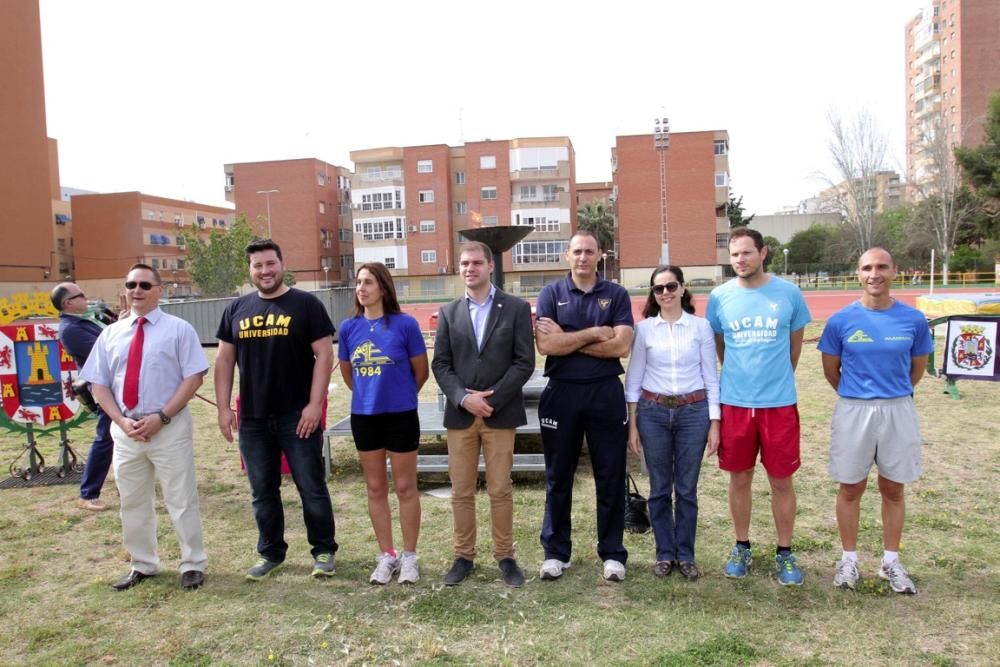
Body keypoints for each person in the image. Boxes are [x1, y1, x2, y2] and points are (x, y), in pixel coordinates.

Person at [215, 239, 338, 581]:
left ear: (282, 265)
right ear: (250, 270)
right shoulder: (236, 309)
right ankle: (270, 553)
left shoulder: (306, 304)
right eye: (258, 266)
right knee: (262, 491)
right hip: (253, 418)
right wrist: (224, 408)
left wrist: (315, 405)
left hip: (297, 416)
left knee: (310, 486)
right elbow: (225, 360)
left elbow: (324, 356)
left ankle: (324, 549)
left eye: (270, 264)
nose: (265, 271)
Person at [80, 264, 208, 591]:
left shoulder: (179, 330)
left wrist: (162, 417)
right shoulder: (110, 334)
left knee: (180, 498)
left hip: (169, 428)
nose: (137, 290)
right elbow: (99, 384)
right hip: (127, 432)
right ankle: (143, 564)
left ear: (159, 290)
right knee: (132, 502)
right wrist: (121, 421)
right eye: (131, 284)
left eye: (144, 285)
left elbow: (194, 376)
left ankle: (192, 563)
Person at [818, 247, 933, 594]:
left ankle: (890, 562)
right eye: (867, 267)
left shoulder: (912, 320)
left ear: (894, 272)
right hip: (854, 409)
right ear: (858, 274)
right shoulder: (840, 321)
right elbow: (831, 371)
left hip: (898, 408)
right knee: (851, 487)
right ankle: (849, 560)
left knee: (893, 487)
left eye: (882, 267)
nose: (874, 274)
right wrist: (861, 395)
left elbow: (917, 370)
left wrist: (889, 394)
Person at [705, 228, 812, 586]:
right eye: (734, 254)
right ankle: (741, 545)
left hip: (778, 404)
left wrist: (774, 380)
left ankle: (785, 551)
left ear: (763, 253)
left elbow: (794, 348)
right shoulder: (720, 298)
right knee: (740, 478)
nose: (740, 260)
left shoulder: (789, 294)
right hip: (735, 403)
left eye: (747, 253)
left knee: (782, 480)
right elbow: (721, 348)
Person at [432, 241, 535, 587]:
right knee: (461, 491)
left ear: (490, 266)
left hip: (499, 413)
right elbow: (441, 364)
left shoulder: (516, 308)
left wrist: (492, 399)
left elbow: (525, 361)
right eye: (464, 263)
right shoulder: (448, 313)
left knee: (500, 489)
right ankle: (463, 556)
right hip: (461, 417)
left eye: (476, 262)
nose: (470, 268)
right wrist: (463, 398)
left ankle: (505, 556)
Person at [534, 230, 634, 582]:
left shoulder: (617, 294)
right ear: (567, 255)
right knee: (558, 477)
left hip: (604, 392)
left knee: (609, 475)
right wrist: (595, 333)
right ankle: (555, 552)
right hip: (561, 392)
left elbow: (621, 347)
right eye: (577, 251)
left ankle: (612, 553)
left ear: (599, 255)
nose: (582, 258)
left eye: (589, 252)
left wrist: (568, 338)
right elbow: (546, 345)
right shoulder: (551, 294)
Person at [624, 265, 720, 581]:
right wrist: (633, 423)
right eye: (658, 288)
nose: (665, 293)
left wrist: (714, 421)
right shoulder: (645, 330)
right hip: (653, 413)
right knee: (660, 488)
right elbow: (634, 378)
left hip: (693, 413)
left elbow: (711, 377)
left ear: (682, 288)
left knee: (688, 489)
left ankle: (686, 554)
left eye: (671, 286)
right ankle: (665, 553)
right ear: (652, 293)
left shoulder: (700, 328)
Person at [339, 262, 428, 585]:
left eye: (368, 283)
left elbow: (421, 371)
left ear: (383, 288)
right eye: (358, 282)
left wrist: (399, 395)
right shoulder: (349, 328)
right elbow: (349, 375)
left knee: (405, 487)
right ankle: (386, 555)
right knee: (376, 488)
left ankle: (409, 557)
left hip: (401, 415)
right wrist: (371, 396)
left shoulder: (404, 325)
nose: (361, 288)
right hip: (364, 417)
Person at [51, 282, 113, 512]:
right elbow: (106, 351)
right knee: (105, 438)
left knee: (115, 438)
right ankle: (88, 494)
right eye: (81, 295)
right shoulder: (70, 329)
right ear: (68, 303)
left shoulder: (84, 321)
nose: (86, 299)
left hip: (114, 385)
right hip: (103, 388)